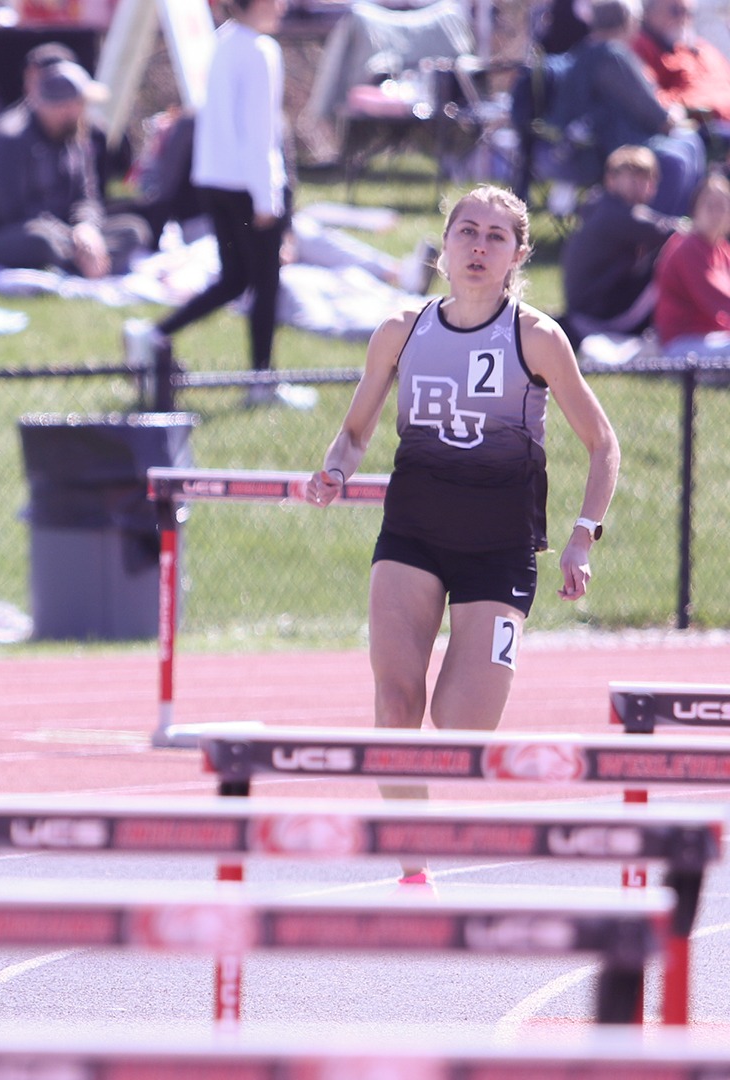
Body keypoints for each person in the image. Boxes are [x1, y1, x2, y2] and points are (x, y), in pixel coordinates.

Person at [303, 186, 620, 884]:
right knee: (395, 697)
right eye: (466, 232)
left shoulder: (534, 336)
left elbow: (602, 443)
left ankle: (485, 656)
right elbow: (354, 434)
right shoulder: (400, 329)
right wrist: (334, 468)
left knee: (463, 725)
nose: (479, 247)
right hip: (412, 535)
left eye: (496, 237)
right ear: (444, 246)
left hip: (499, 550)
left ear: (517, 256)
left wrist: (582, 537)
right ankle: (410, 850)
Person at [125, 0, 303, 409]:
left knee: (235, 280)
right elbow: (262, 134)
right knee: (265, 284)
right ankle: (262, 381)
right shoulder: (260, 50)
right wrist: (267, 199)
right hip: (246, 186)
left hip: (214, 181)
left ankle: (154, 333)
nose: (283, 6)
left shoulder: (222, 42)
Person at [0, 60, 142, 278]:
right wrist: (73, 238)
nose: (80, 111)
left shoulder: (75, 136)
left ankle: (82, 262)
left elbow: (86, 196)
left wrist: (87, 228)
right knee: (41, 242)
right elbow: (12, 211)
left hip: (64, 235)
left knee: (133, 230)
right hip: (5, 234)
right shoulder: (9, 139)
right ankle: (87, 262)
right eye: (76, 104)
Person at [553, 0, 705, 216]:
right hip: (609, 145)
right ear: (628, 22)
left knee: (689, 144)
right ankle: (658, 234)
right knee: (678, 157)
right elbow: (654, 113)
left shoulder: (585, 50)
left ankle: (681, 234)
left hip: (593, 143)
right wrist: (672, 117)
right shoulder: (611, 55)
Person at [563, 146, 683, 345]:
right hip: (600, 317)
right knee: (673, 253)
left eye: (646, 178)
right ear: (611, 180)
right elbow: (670, 231)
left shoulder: (601, 206)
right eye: (632, 179)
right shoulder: (617, 215)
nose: (640, 185)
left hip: (584, 311)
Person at [653, 172, 730, 356]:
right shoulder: (687, 247)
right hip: (682, 345)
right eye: (709, 206)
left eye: (722, 207)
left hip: (714, 339)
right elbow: (718, 299)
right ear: (695, 210)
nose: (716, 213)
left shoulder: (722, 248)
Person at [632, 0, 730, 129]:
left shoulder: (701, 47)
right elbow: (648, 99)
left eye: (688, 12)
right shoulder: (639, 47)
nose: (684, 18)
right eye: (676, 11)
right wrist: (697, 103)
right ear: (648, 12)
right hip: (703, 130)